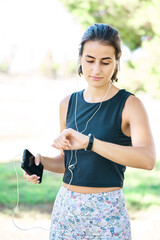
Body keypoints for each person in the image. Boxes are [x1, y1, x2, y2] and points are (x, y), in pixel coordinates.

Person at [24, 23, 156, 239]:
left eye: (105, 62)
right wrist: (41, 161)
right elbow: (68, 162)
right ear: (80, 59)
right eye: (90, 60)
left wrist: (90, 142)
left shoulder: (130, 104)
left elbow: (148, 159)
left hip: (107, 213)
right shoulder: (67, 103)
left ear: (116, 62)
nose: (96, 70)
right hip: (66, 211)